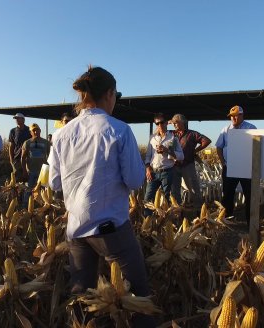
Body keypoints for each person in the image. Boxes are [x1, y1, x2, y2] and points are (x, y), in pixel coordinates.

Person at [48, 66, 155, 327]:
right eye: (115, 94)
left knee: (82, 301)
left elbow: (54, 183)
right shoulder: (118, 130)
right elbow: (134, 179)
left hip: (76, 229)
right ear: (108, 93)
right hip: (111, 230)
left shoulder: (62, 134)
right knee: (139, 298)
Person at [215, 105, 256, 225]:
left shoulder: (251, 128)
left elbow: (256, 146)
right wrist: (223, 162)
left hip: (246, 168)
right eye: (231, 116)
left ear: (242, 115)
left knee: (249, 194)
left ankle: (250, 221)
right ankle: (226, 218)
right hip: (230, 167)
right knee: (227, 194)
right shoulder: (225, 129)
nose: (233, 118)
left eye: (235, 116)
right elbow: (219, 147)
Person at [144, 113, 184, 214]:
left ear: (166, 123)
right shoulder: (152, 138)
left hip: (167, 172)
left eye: (162, 122)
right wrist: (148, 168)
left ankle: (163, 223)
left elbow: (181, 156)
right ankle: (147, 224)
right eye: (157, 123)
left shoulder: (173, 138)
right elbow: (148, 156)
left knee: (165, 200)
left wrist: (167, 150)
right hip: (153, 173)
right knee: (147, 199)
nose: (160, 125)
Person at [170, 113, 211, 212]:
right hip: (174, 165)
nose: (174, 125)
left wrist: (195, 151)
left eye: (176, 122)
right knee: (175, 190)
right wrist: (167, 123)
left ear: (183, 122)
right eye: (173, 123)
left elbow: (206, 141)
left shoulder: (192, 134)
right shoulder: (171, 133)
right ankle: (177, 210)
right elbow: (158, 132)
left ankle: (198, 210)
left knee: (193, 188)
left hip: (187, 165)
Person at [21, 123, 50, 204]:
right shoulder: (27, 143)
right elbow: (23, 158)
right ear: (30, 132)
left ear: (40, 131)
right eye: (34, 130)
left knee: (44, 191)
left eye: (37, 130)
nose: (36, 132)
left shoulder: (46, 142)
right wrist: (24, 171)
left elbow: (51, 156)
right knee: (28, 189)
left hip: (44, 170)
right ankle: (25, 206)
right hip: (31, 170)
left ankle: (43, 206)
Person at [8, 113, 30, 181]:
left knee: (28, 178)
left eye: (18, 118)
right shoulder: (13, 131)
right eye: (15, 119)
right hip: (17, 159)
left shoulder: (29, 130)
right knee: (17, 180)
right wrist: (11, 160)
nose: (16, 120)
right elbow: (11, 146)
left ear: (23, 119)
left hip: (28, 159)